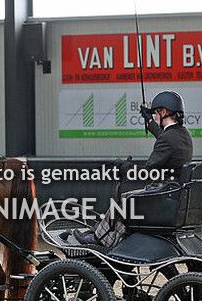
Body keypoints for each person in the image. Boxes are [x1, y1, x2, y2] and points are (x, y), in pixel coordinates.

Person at [72, 90, 194, 246]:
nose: (156, 117)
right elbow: (164, 136)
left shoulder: (167, 139)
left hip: (162, 195)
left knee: (124, 200)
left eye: (157, 113)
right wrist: (149, 121)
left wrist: (124, 166)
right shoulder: (183, 134)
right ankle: (105, 232)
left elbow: (145, 172)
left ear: (164, 112)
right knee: (129, 198)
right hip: (173, 193)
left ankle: (99, 239)